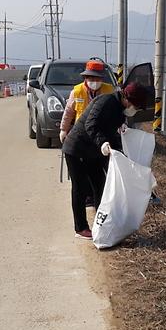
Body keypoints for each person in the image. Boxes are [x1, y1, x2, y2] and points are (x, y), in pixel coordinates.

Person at [61, 83, 149, 240]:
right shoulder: (106, 102)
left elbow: (110, 132)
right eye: (135, 106)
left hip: (93, 151)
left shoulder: (119, 111)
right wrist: (102, 142)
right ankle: (80, 228)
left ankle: (102, 222)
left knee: (100, 184)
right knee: (80, 188)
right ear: (127, 99)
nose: (134, 109)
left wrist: (120, 154)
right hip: (77, 148)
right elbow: (91, 125)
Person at [59, 60, 115, 143]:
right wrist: (63, 129)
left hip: (102, 133)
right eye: (92, 79)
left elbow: (116, 111)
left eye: (98, 79)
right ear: (86, 78)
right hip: (81, 131)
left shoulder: (110, 91)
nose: (95, 82)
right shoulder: (77, 92)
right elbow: (69, 112)